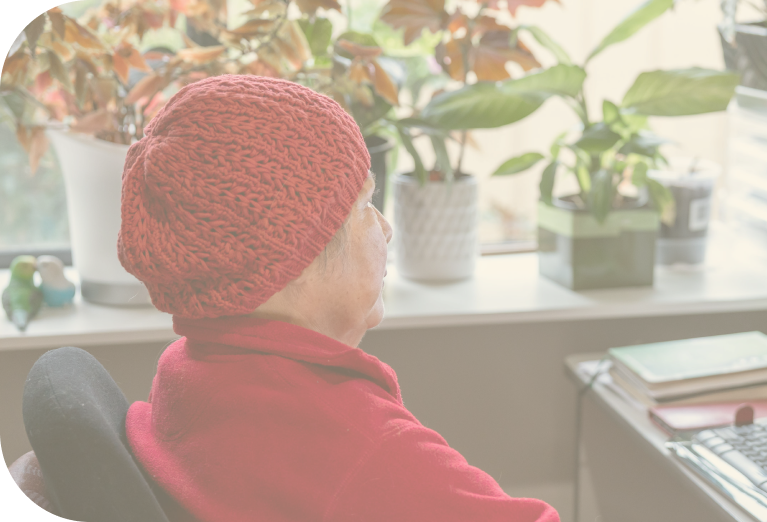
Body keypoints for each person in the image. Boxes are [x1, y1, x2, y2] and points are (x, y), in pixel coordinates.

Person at [18, 75, 559, 521]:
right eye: (366, 206)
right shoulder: (361, 451)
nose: (387, 228)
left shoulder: (190, 374)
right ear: (293, 260)